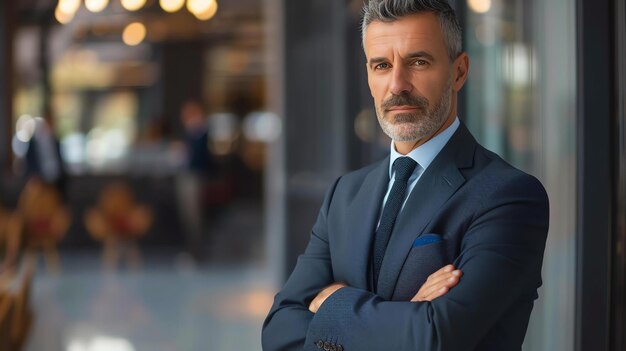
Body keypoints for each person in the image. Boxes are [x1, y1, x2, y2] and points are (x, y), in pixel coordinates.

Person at [262, 1, 549, 350]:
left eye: (418, 62)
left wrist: (331, 303)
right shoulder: (345, 194)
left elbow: (436, 336)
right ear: (369, 77)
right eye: (381, 65)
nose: (398, 84)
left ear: (459, 72)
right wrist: (405, 315)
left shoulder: (509, 196)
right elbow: (278, 329)